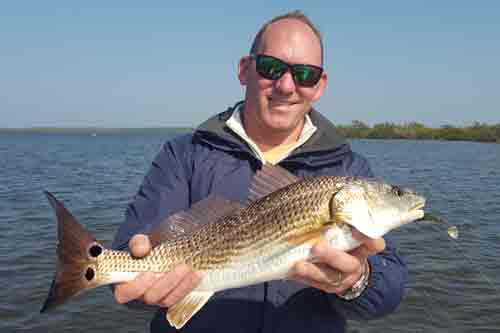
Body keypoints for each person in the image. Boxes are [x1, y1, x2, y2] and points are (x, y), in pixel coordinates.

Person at [112, 10, 407, 333]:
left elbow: (390, 291)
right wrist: (135, 271)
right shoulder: (185, 155)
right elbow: (133, 254)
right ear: (244, 70)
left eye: (305, 74)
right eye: (271, 68)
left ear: (320, 85)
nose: (286, 85)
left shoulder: (348, 168)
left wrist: (359, 280)